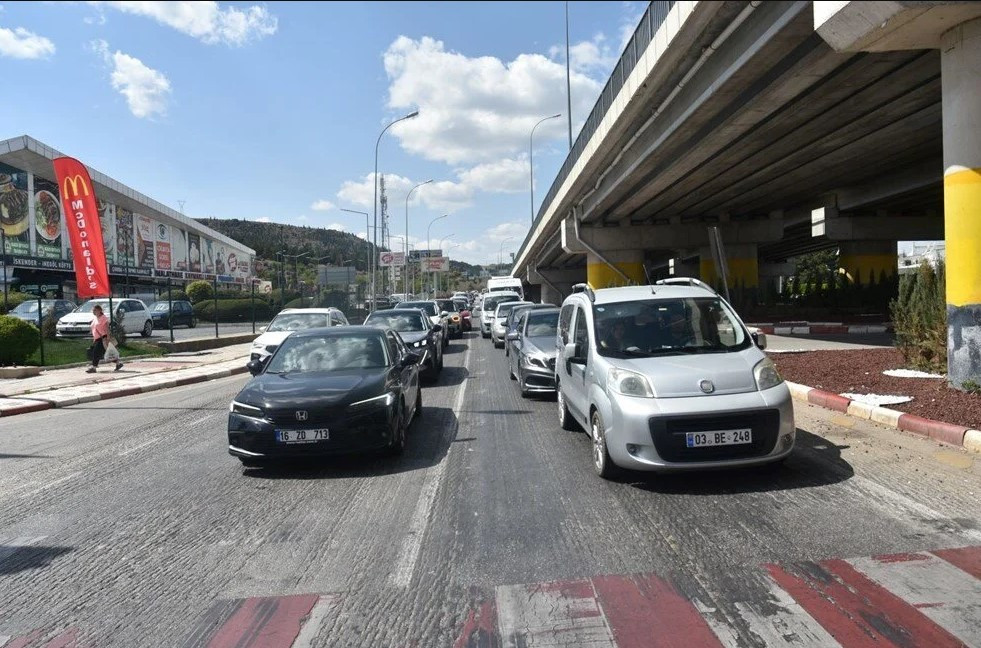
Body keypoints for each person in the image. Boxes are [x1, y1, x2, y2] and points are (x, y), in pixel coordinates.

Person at [87, 305, 122, 373]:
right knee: (106, 353)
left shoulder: (103, 318)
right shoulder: (95, 319)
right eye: (93, 310)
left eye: (95, 310)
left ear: (100, 311)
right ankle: (118, 363)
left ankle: (94, 367)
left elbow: (107, 328)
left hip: (103, 338)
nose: (94, 312)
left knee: (96, 352)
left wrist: (108, 337)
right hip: (97, 338)